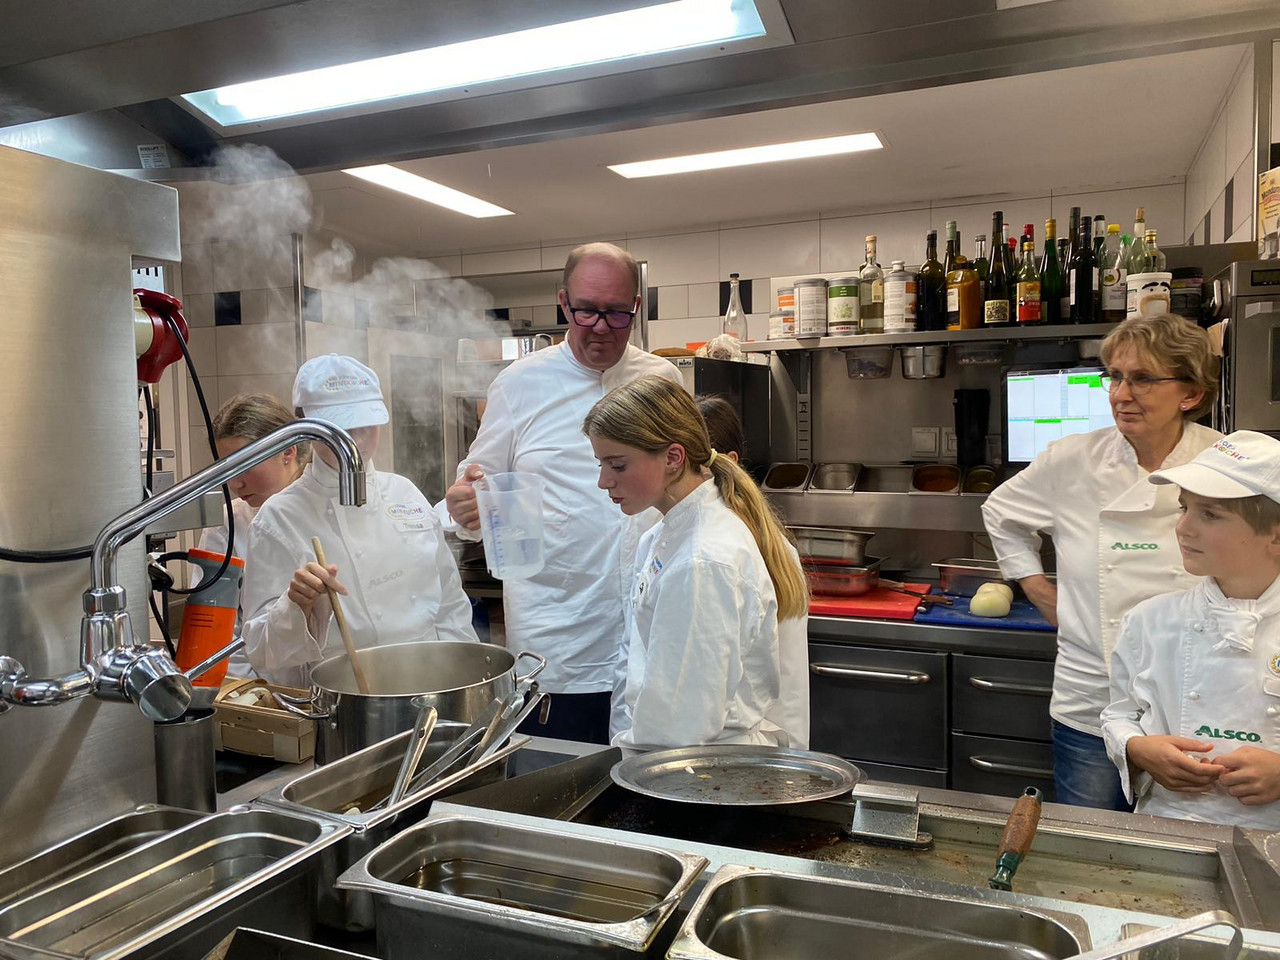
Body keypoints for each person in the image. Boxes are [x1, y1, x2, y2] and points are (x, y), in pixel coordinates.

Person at [444, 242, 682, 743]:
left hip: (654, 636)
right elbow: (479, 483)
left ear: (637, 307)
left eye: (617, 313)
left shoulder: (661, 380)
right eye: (586, 310)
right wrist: (466, 504)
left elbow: (685, 485)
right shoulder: (520, 384)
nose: (601, 327)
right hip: (559, 645)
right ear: (563, 302)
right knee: (562, 777)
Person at [982, 313, 1221, 810]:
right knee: (1089, 841)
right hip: (1093, 693)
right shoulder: (1072, 460)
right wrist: (1037, 589)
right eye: (1114, 377)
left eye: (1143, 379)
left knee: (1183, 844)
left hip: (1198, 699)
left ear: (1191, 393)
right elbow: (1001, 512)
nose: (1121, 394)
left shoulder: (1224, 462)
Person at [583, 374, 810, 752]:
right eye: (601, 464)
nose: (603, 481)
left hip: (701, 768)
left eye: (617, 465)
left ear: (673, 458)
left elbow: (680, 726)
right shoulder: (665, 535)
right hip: (683, 760)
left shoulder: (702, 561)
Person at [243, 354, 477, 687]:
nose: (356, 439)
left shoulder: (405, 494)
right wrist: (296, 605)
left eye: (366, 424)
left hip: (430, 686)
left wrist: (463, 679)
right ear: (307, 430)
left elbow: (451, 605)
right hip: (343, 694)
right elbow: (261, 652)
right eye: (342, 428)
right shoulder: (280, 517)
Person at [1101, 431, 1280, 830]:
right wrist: (1137, 748)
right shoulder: (1150, 620)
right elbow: (1119, 714)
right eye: (1184, 508)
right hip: (1170, 825)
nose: (1183, 528)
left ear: (1276, 536)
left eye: (1210, 514)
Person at [192, 392, 306, 678]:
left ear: (287, 452)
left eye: (245, 465)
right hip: (265, 692)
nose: (235, 483)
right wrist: (257, 694)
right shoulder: (228, 525)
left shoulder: (330, 509)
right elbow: (217, 637)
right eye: (228, 468)